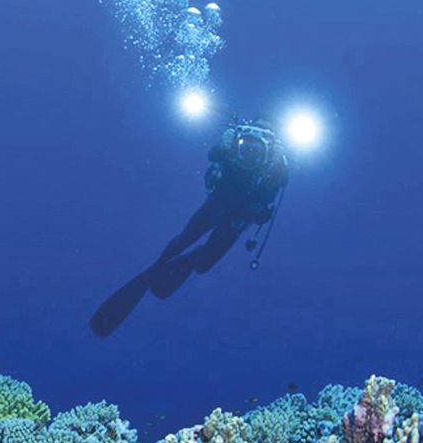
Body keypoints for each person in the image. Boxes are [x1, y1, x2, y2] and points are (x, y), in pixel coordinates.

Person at [90, 119, 289, 337]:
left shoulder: (274, 167)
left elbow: (269, 206)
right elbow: (213, 157)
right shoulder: (230, 151)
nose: (250, 151)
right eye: (246, 144)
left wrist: (278, 165)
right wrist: (225, 146)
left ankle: (187, 259)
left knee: (203, 265)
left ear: (269, 145)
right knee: (184, 240)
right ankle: (159, 266)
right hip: (216, 206)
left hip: (236, 220)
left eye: (256, 147)